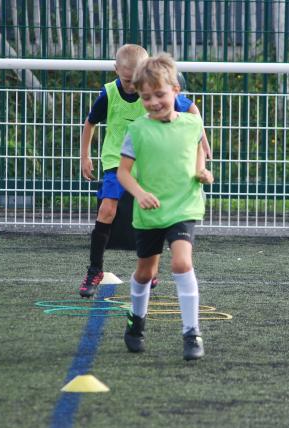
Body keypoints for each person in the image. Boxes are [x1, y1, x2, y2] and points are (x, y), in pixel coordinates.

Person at [79, 44, 211, 298]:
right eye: (126, 80)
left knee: (154, 212)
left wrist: (202, 138)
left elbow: (191, 109)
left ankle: (150, 270)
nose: (131, 87)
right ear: (116, 69)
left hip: (150, 160)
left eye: (134, 81)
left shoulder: (153, 92)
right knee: (108, 209)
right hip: (116, 160)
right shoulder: (108, 94)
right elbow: (91, 123)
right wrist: (85, 156)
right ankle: (95, 270)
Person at [117, 53, 213, 361]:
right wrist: (140, 193)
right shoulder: (138, 131)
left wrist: (201, 170)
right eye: (146, 97)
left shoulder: (192, 122)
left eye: (160, 94)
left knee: (182, 264)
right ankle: (136, 321)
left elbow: (198, 144)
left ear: (175, 91)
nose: (154, 101)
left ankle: (191, 332)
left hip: (184, 205)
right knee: (146, 273)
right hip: (150, 211)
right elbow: (123, 173)